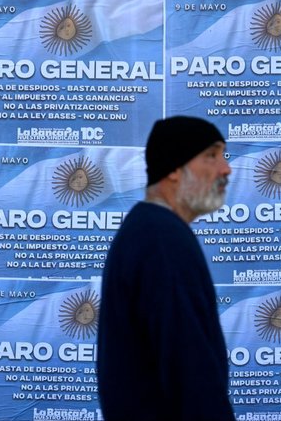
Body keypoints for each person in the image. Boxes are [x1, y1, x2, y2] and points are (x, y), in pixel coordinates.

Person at [97, 116, 235, 421]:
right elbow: (190, 368)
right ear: (174, 168)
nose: (226, 169)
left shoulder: (147, 229)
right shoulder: (162, 241)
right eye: (211, 156)